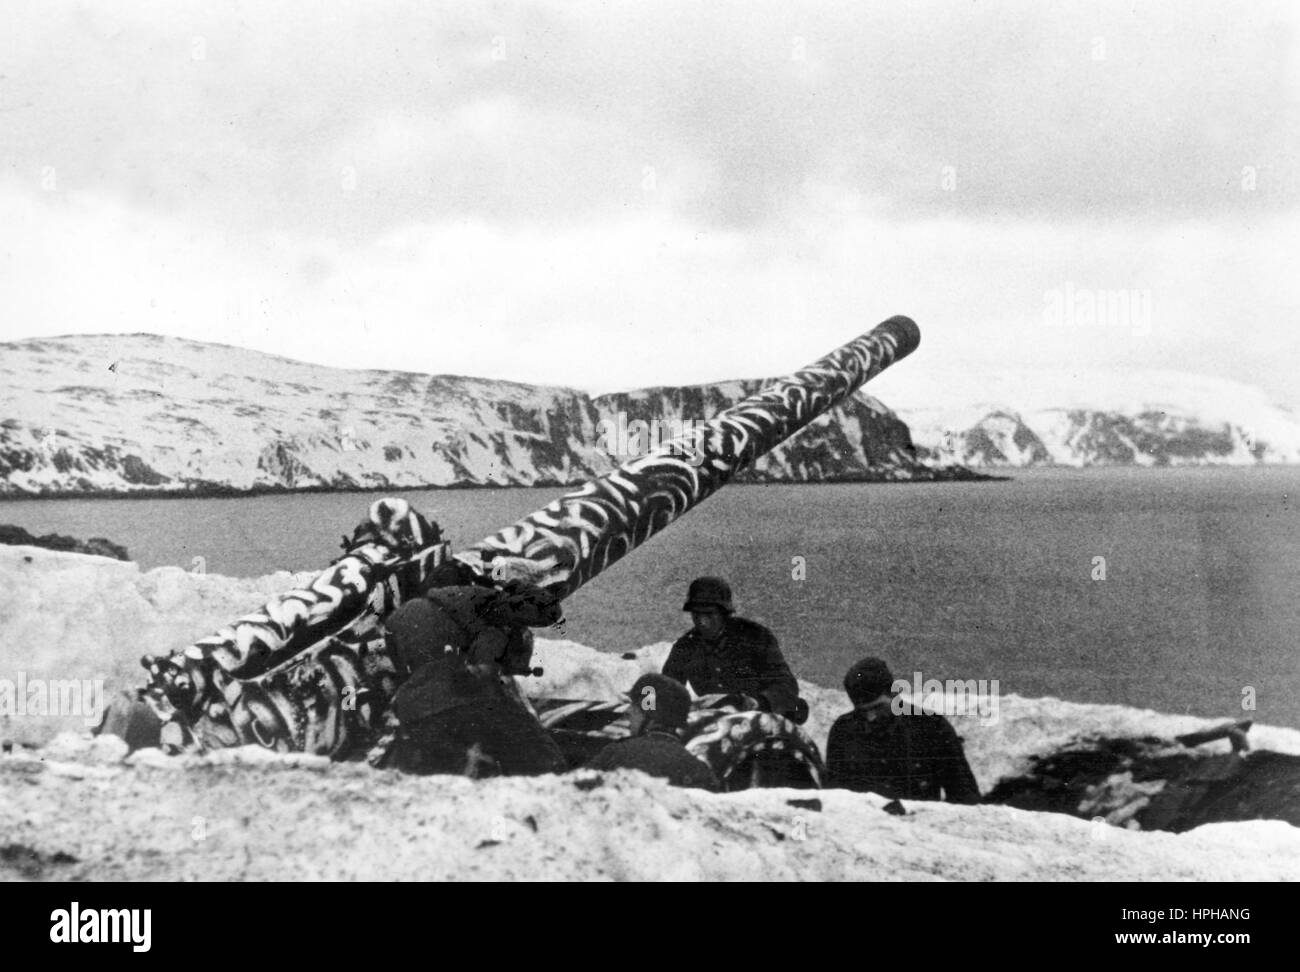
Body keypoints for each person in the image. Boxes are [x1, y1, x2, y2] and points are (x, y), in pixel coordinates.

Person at [380, 558, 567, 776]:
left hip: (416, 715)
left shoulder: (397, 618)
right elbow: (547, 611)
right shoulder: (472, 597)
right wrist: (511, 586)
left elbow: (401, 670)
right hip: (469, 698)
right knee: (544, 764)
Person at [825, 657, 981, 804]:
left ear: (895, 696)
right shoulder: (843, 732)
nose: (871, 717)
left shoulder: (930, 727)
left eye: (878, 708)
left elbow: (964, 795)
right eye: (863, 712)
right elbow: (833, 800)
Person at [661, 577, 802, 720]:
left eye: (709, 614)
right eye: (696, 614)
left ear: (724, 613)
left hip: (759, 718)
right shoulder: (685, 647)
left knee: (798, 708)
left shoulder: (756, 637)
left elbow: (786, 685)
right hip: (714, 721)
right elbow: (666, 689)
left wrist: (759, 702)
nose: (702, 622)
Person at [586, 673, 719, 791]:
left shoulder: (615, 754)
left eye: (635, 707)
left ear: (649, 713)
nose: (628, 711)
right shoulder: (699, 770)